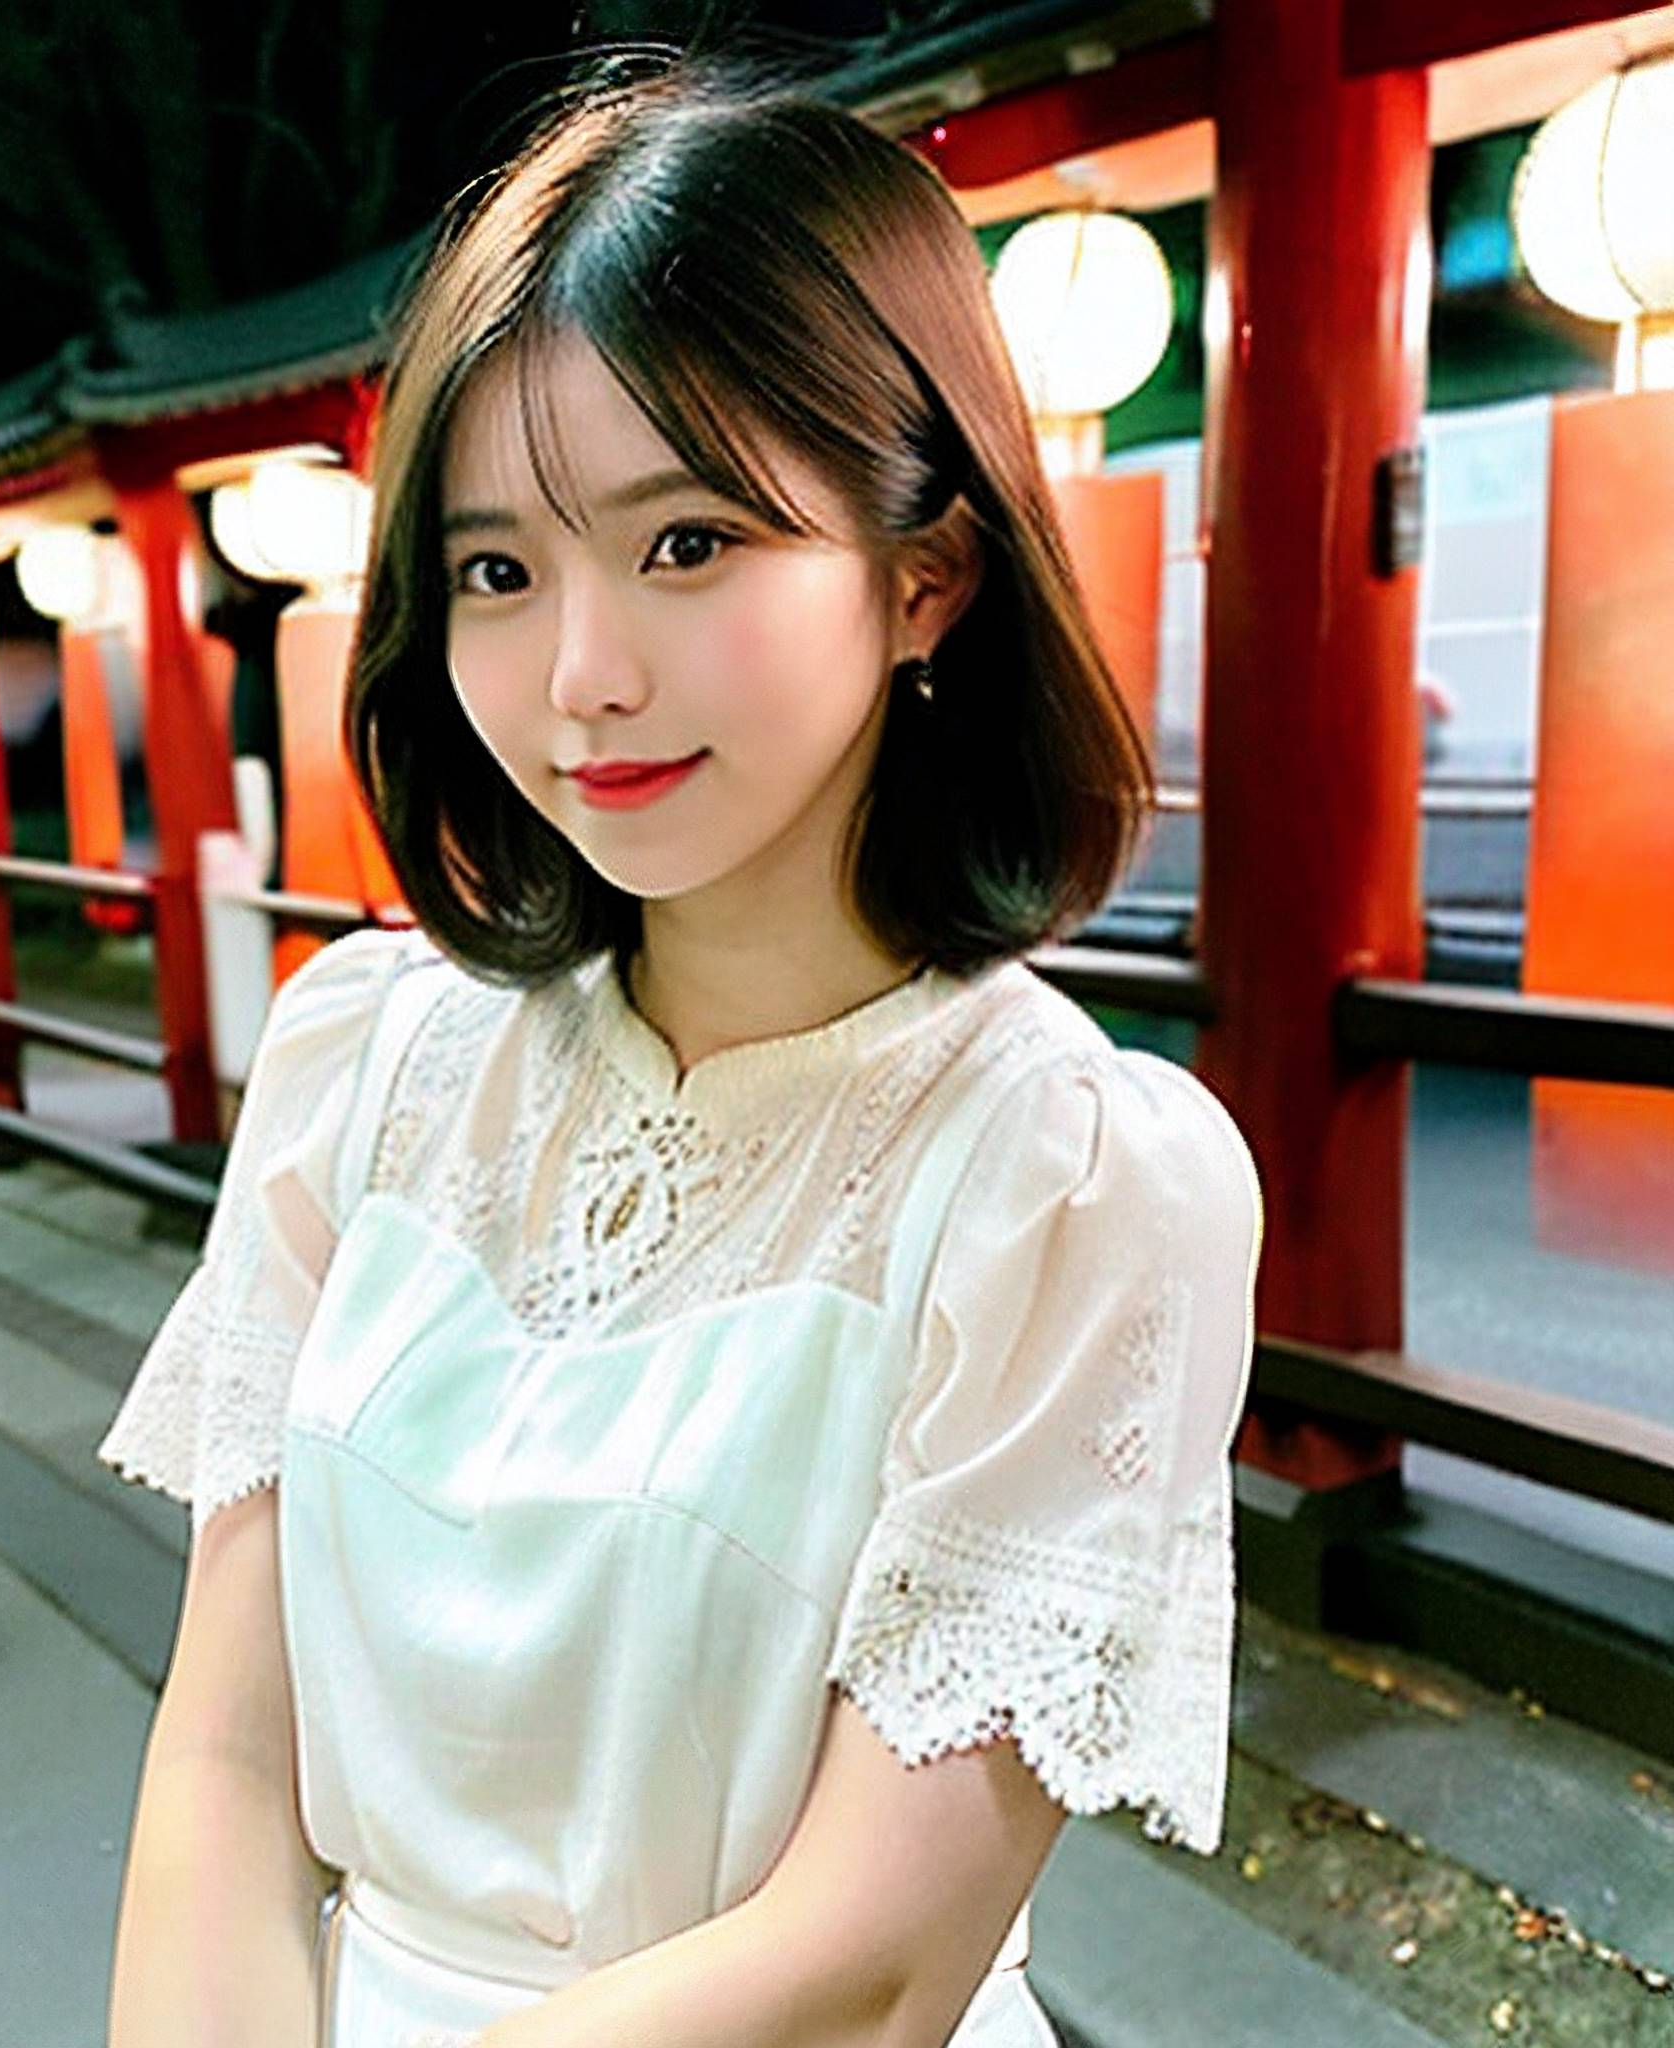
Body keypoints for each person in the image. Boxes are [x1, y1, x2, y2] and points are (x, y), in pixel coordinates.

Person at [96, 43, 1265, 2048]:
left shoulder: (1064, 1180)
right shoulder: (363, 1066)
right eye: (495, 568)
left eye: (687, 541)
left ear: (926, 572)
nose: (579, 676)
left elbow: (870, 1951)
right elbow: (220, 1753)